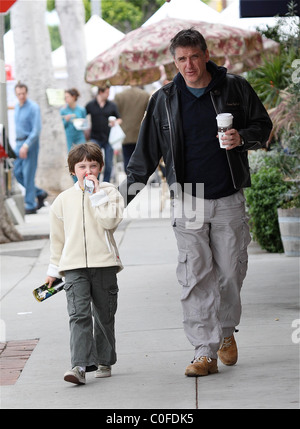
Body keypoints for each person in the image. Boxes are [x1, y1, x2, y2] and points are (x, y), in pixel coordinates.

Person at [119, 29, 272, 377]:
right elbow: (144, 158)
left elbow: (264, 127)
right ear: (174, 61)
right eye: (181, 59)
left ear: (206, 54)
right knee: (195, 276)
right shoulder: (164, 99)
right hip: (188, 198)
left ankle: (226, 332)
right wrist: (118, 202)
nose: (188, 65)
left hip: (228, 195)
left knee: (231, 272)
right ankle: (204, 351)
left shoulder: (235, 87)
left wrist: (242, 137)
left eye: (194, 57)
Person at [45, 142, 124, 385]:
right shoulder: (62, 200)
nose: (87, 170)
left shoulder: (110, 193)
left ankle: (104, 360)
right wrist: (53, 270)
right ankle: (78, 366)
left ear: (100, 167)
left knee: (104, 315)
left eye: (92, 165)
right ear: (73, 170)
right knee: (78, 315)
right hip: (73, 267)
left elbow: (110, 221)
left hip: (104, 264)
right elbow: (57, 239)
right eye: (81, 166)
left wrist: (96, 195)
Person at [14, 83, 48, 214]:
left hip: (30, 144)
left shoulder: (33, 107)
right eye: (19, 94)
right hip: (18, 144)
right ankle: (39, 192)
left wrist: (26, 145)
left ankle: (30, 205)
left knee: (28, 175)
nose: (21, 96)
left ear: (26, 93)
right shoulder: (17, 107)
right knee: (17, 173)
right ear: (16, 94)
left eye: (23, 93)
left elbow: (37, 129)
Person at [85, 85, 122, 182]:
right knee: (94, 161)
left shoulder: (112, 105)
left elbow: (119, 119)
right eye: (107, 93)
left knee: (108, 163)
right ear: (100, 92)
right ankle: (94, 181)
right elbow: (83, 115)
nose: (108, 95)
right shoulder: (90, 105)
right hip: (95, 137)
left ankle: (106, 183)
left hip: (108, 138)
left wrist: (115, 123)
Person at [114, 86, 149, 173]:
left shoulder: (119, 96)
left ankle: (129, 177)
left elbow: (115, 113)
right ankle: (139, 177)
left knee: (127, 157)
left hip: (125, 133)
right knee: (140, 157)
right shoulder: (145, 95)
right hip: (140, 132)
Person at [60, 88, 87, 153]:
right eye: (65, 97)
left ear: (73, 97)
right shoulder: (63, 110)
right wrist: (66, 120)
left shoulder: (81, 110)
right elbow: (62, 126)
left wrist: (79, 121)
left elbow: (85, 124)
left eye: (67, 97)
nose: (66, 99)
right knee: (71, 155)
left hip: (80, 136)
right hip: (69, 137)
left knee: (82, 154)